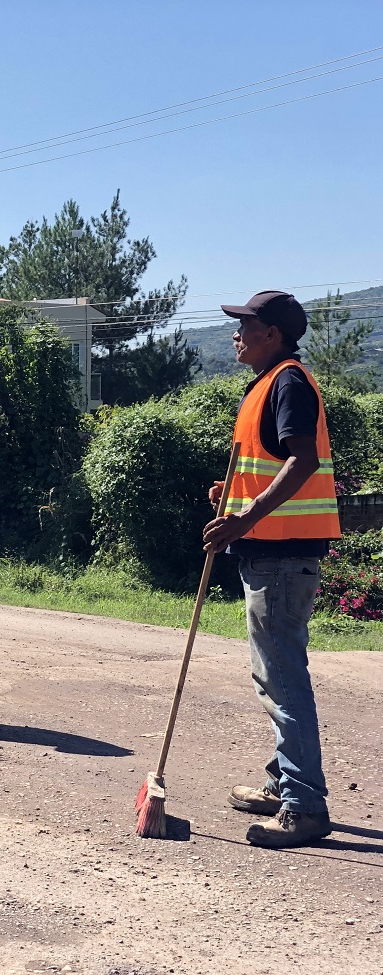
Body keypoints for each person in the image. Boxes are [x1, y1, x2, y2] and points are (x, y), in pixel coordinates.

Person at [203, 290, 341, 850]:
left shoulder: (287, 382)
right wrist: (233, 494)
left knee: (282, 677)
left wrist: (246, 516)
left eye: (246, 324)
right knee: (275, 673)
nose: (236, 333)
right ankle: (284, 782)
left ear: (273, 334)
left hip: (282, 554)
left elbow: (303, 461)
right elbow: (272, 465)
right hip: (272, 551)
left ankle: (303, 805)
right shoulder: (269, 383)